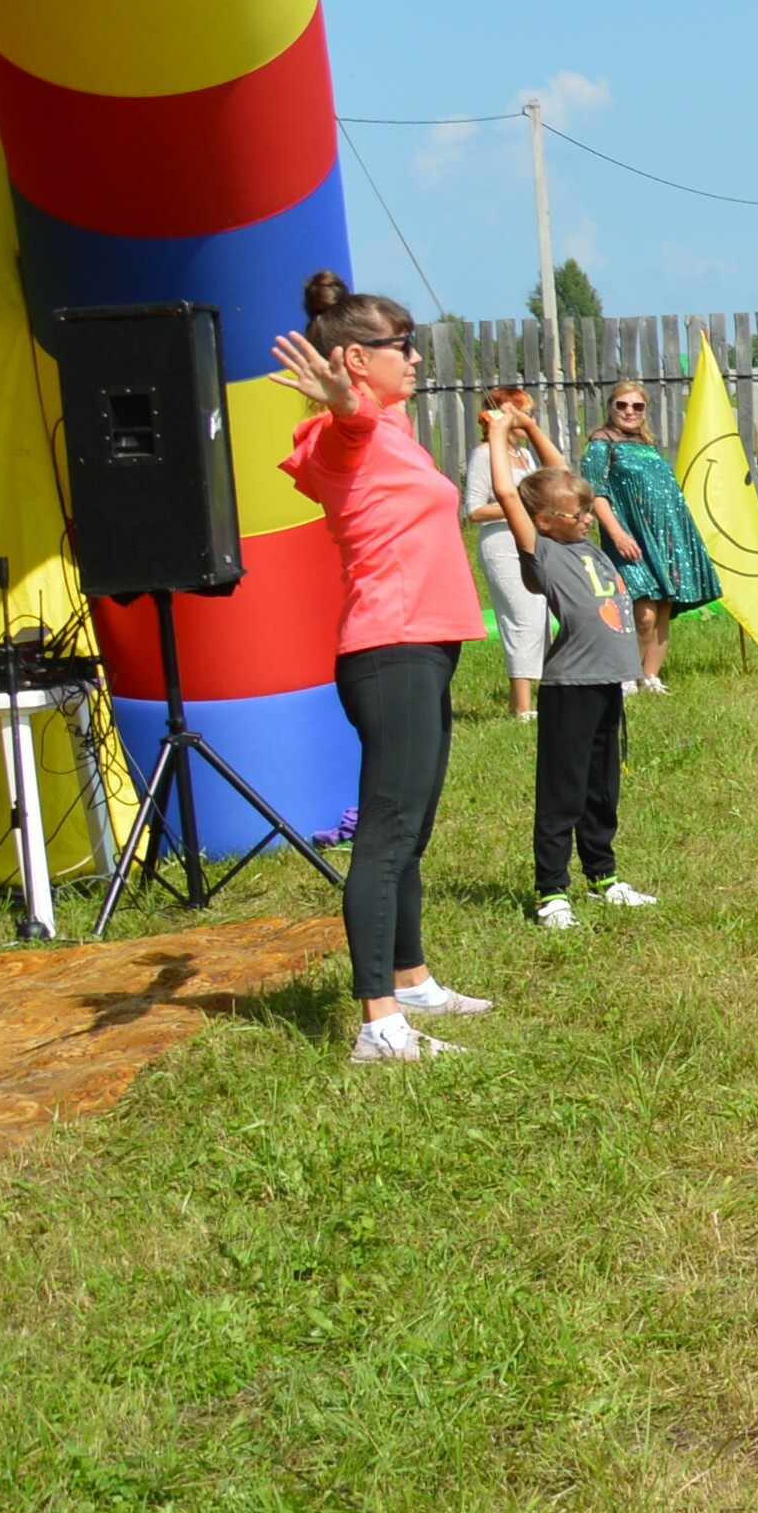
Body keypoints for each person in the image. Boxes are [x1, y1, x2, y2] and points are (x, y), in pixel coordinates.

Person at [272, 275, 494, 1062]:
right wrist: (343, 402)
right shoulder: (344, 437)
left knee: (414, 828)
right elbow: (345, 430)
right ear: (357, 361)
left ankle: (411, 979)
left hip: (426, 646)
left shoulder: (394, 432)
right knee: (388, 835)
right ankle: (378, 1026)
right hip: (389, 648)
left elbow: (375, 418)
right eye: (403, 345)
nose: (417, 355)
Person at [482, 407, 658, 930]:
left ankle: (603, 876)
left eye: (585, 513)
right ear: (544, 523)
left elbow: (565, 481)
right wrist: (497, 434)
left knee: (601, 789)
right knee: (562, 791)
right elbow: (513, 494)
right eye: (576, 515)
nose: (585, 518)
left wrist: (532, 427)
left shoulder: (584, 547)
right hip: (570, 688)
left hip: (607, 683)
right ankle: (551, 891)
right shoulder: (543, 553)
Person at [577, 378, 717, 687]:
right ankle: (624, 676)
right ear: (610, 407)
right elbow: (595, 493)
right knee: (643, 614)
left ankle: (650, 677)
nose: (630, 411)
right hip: (628, 538)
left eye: (637, 406)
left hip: (666, 538)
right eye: (622, 405)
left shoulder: (647, 446)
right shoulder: (601, 443)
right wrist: (617, 534)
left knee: (664, 606)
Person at [463, 382, 547, 723]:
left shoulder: (525, 456)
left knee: (541, 617)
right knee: (522, 618)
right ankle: (522, 706)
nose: (529, 418)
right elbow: (473, 510)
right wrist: (518, 507)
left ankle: (541, 694)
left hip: (531, 542)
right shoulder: (484, 455)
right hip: (500, 544)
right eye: (524, 412)